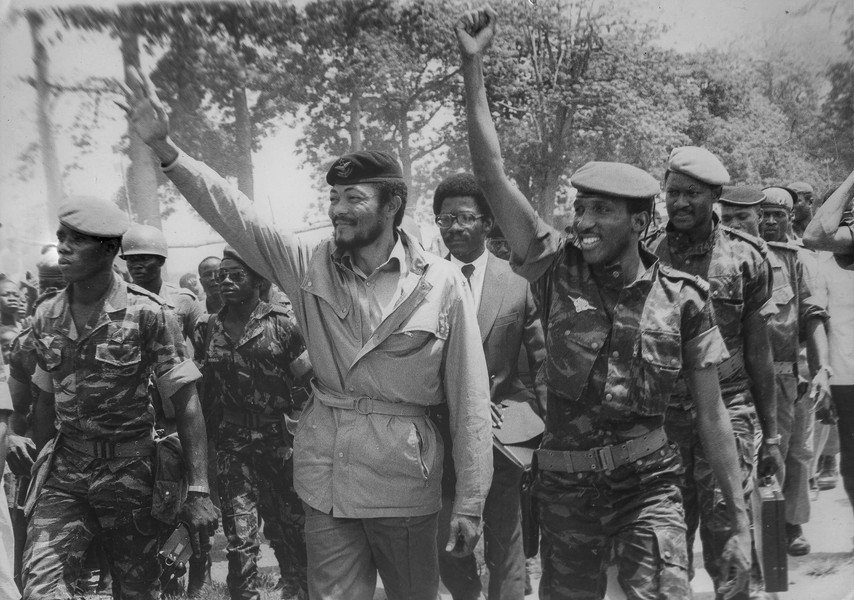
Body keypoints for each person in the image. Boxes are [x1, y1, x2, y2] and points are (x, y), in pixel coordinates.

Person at [122, 68, 493, 600]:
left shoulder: (442, 283)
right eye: (334, 197)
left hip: (405, 481)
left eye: (353, 198)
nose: (337, 210)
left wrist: (471, 501)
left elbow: (471, 398)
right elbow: (238, 217)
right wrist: (167, 150)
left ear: (392, 205)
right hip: (327, 478)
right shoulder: (308, 265)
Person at [456, 9, 751, 599]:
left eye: (601, 211)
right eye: (580, 207)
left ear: (639, 222)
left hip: (650, 487)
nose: (583, 221)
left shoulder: (684, 299)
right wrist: (473, 67)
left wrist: (739, 518)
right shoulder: (552, 268)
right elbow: (492, 178)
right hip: (567, 496)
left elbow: (713, 415)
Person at [21, 196, 219, 600]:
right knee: (40, 585)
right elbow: (43, 399)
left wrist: (199, 489)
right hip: (67, 472)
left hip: (131, 473)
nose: (63, 248)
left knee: (136, 590)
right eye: (61, 238)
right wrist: (41, 462)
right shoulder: (47, 315)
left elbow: (186, 403)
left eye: (77, 240)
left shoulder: (150, 313)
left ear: (110, 249)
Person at [645, 147, 781, 596]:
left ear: (715, 197)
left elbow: (759, 353)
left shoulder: (747, 257)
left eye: (692, 194)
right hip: (662, 417)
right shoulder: (645, 254)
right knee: (664, 540)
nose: (680, 203)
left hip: (729, 408)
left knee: (730, 532)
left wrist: (772, 436)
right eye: (672, 193)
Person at [432, 172, 546, 600]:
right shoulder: (423, 280)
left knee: (507, 545)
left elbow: (538, 368)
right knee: (449, 546)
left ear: (487, 223)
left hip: (502, 441)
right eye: (446, 220)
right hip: (440, 438)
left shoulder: (517, 282)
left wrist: (526, 419)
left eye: (465, 218)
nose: (455, 228)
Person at [192, 247, 310, 599]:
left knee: (290, 530)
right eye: (221, 276)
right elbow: (204, 392)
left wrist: (300, 438)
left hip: (280, 443)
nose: (225, 281)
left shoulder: (284, 325)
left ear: (258, 281)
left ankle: (298, 590)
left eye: (236, 275)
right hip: (233, 444)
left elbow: (307, 387)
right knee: (239, 536)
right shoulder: (207, 327)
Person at [721, 186, 831, 556]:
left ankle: (790, 524)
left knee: (794, 452)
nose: (767, 222)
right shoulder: (719, 260)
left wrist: (820, 368)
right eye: (730, 218)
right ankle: (756, 534)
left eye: (775, 215)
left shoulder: (793, 259)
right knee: (753, 457)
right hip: (737, 377)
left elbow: (812, 316)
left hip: (787, 374)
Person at [122, 222, 205, 340]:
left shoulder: (183, 299)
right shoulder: (120, 300)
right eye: (131, 260)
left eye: (144, 259)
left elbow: (203, 344)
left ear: (161, 260)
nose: (137, 265)